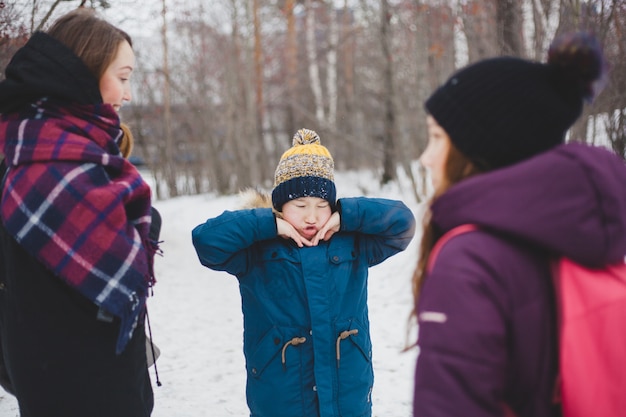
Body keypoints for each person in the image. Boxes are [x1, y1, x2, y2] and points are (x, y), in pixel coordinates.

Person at [411, 32, 626, 417]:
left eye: (437, 137)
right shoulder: (579, 235)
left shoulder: (470, 259)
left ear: (485, 150)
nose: (426, 157)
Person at [0, 8, 160, 416]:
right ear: (84, 76)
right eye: (122, 78)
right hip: (79, 388)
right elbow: (120, 255)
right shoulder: (52, 167)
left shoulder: (39, 148)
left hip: (58, 375)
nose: (127, 95)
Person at [192, 128, 416, 417]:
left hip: (347, 390)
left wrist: (347, 215)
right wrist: (267, 225)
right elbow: (206, 241)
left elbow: (403, 223)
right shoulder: (257, 248)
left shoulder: (353, 243)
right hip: (281, 394)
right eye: (300, 206)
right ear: (281, 206)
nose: (311, 216)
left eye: (321, 205)